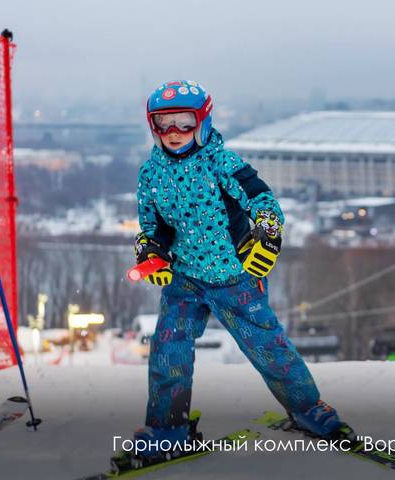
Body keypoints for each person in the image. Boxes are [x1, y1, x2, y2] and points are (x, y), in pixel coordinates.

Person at [132, 80, 347, 457]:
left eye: (184, 122)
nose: (173, 133)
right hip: (184, 279)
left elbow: (261, 198)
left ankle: (307, 408)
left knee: (267, 345)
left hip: (232, 276)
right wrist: (151, 251)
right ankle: (168, 428)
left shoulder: (221, 162)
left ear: (203, 122)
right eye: (162, 123)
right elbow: (152, 227)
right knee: (169, 348)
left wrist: (267, 232)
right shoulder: (151, 174)